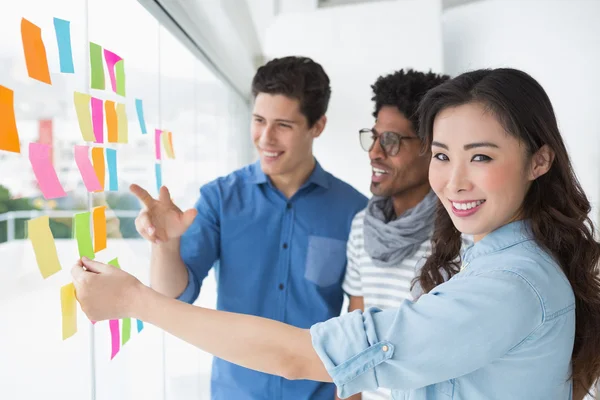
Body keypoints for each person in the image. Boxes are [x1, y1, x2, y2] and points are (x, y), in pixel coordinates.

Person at [72, 68, 600, 399]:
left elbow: (310, 352)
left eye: (480, 157)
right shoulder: (482, 253)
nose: (454, 179)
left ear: (540, 160)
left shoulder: (507, 281)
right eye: (443, 155)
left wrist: (134, 302)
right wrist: (162, 251)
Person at [127, 56, 367, 400]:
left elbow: (356, 324)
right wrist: (165, 244)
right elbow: (172, 297)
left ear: (317, 126)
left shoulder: (353, 210)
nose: (265, 138)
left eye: (283, 124)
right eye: (258, 120)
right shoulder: (220, 198)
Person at [343, 69, 451, 400]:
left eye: (390, 140)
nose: (375, 151)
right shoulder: (363, 225)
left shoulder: (456, 233)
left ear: (430, 148)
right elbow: (355, 332)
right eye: (373, 137)